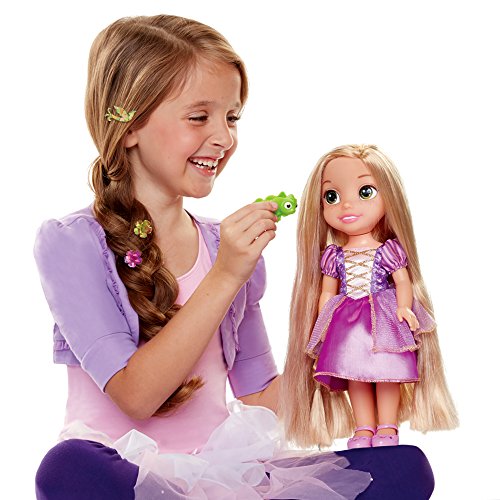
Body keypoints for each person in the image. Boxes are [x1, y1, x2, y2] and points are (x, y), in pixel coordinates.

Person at [34, 16, 435, 499]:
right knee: (67, 468)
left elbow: (260, 395)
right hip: (119, 469)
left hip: (222, 472)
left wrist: (357, 346)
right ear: (131, 124)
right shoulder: (73, 243)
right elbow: (135, 396)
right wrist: (225, 274)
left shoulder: (224, 247)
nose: (224, 138)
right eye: (199, 117)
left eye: (231, 117)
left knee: (405, 468)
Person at [281, 144, 458, 452]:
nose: (347, 204)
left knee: (387, 373)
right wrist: (323, 319)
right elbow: (327, 291)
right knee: (355, 376)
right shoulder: (334, 255)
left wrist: (404, 306)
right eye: (332, 196)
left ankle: (387, 425)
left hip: (384, 315)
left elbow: (402, 281)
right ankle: (363, 426)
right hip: (347, 321)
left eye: (365, 192)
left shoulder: (388, 250)